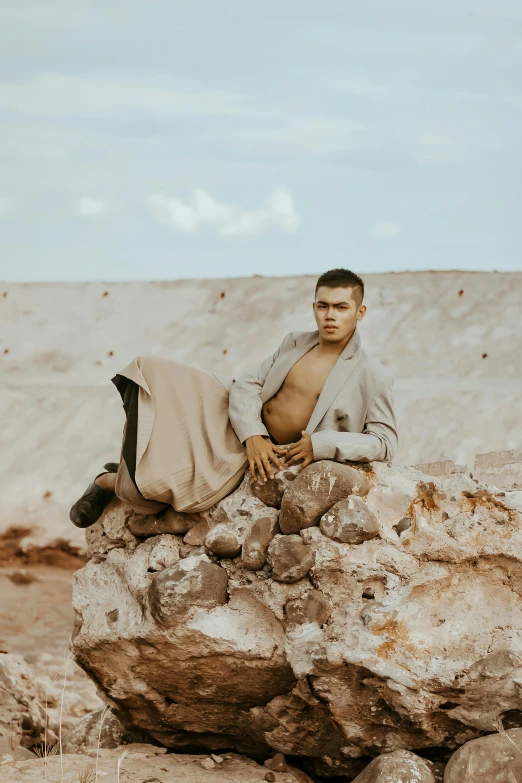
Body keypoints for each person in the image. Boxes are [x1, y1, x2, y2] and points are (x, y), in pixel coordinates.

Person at [69, 268, 397, 528]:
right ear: (314, 307)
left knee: (158, 488)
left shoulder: (372, 374)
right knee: (149, 371)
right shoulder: (295, 342)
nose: (330, 315)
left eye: (341, 307)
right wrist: (252, 433)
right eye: (323, 305)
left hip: (256, 454)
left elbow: (384, 442)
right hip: (232, 416)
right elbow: (247, 385)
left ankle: (106, 482)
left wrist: (322, 444)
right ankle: (124, 467)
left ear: (360, 311)